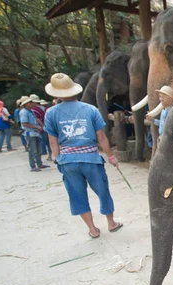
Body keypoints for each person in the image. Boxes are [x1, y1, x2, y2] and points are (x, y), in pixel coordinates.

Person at [44, 73, 123, 239]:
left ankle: (93, 230)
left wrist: (59, 160)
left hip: (68, 162)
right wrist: (111, 157)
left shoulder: (51, 113)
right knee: (103, 191)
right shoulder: (90, 110)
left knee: (77, 196)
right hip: (91, 158)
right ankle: (111, 223)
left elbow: (53, 142)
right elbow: (101, 138)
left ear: (56, 94)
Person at [20, 97, 49, 171]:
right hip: (30, 133)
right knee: (32, 150)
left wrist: (40, 126)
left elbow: (36, 119)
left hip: (35, 133)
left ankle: (39, 164)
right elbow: (25, 123)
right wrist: (36, 127)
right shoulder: (24, 112)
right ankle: (33, 166)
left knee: (38, 150)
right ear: (26, 104)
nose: (32, 103)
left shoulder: (30, 111)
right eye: (30, 102)